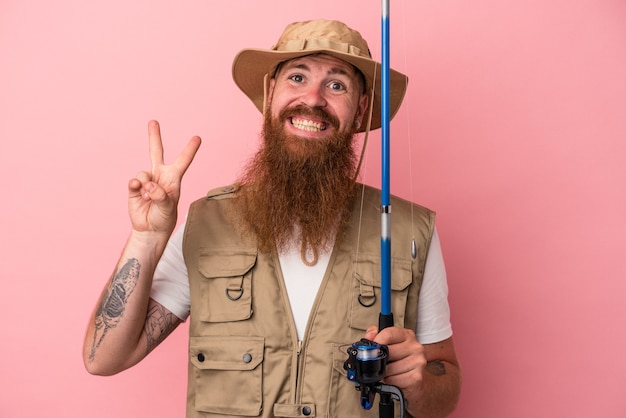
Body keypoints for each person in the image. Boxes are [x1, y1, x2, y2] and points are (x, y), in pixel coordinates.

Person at [83, 19, 461, 418]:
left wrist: (420, 382)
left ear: (361, 109)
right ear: (269, 93)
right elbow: (103, 358)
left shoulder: (408, 232)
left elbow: (445, 386)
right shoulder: (206, 224)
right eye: (297, 77)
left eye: (337, 85)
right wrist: (147, 237)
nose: (313, 99)